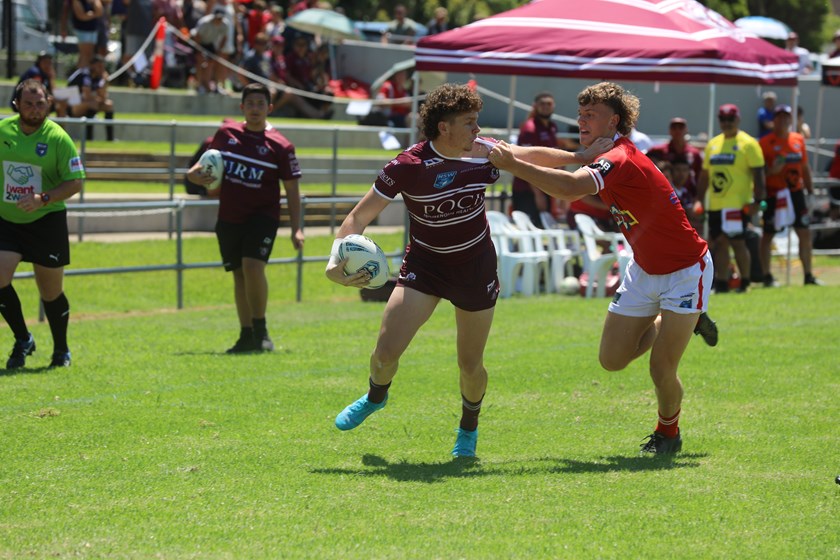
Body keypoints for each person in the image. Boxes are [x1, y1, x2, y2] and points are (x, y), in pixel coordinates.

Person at [324, 83, 597, 458]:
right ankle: (375, 397)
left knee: (470, 365)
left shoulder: (484, 153)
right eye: (469, 123)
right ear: (443, 128)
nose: (478, 131)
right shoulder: (407, 166)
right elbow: (357, 218)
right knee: (385, 351)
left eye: (477, 122)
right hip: (426, 265)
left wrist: (580, 156)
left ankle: (468, 430)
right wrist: (333, 265)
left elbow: (528, 154)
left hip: (475, 266)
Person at [488, 81, 719, 455]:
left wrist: (514, 165)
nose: (581, 120)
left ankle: (668, 434)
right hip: (644, 270)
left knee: (661, 369)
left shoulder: (621, 158)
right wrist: (495, 150)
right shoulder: (602, 152)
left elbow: (568, 189)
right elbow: (533, 154)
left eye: (590, 115)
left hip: (685, 270)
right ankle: (681, 320)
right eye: (580, 114)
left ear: (613, 121)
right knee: (612, 360)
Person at [186, 83, 304, 353]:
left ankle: (261, 332)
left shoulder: (281, 146)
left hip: (263, 216)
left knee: (253, 267)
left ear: (269, 108)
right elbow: (201, 167)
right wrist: (194, 176)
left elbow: (293, 190)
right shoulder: (226, 134)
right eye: (250, 104)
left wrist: (297, 228)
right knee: (239, 274)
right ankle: (245, 334)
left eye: (260, 104)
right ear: (241, 107)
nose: (254, 109)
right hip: (229, 216)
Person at [0, 80, 85, 369]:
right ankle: (23, 338)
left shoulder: (58, 138)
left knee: (50, 292)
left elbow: (76, 181)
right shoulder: (3, 131)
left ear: (48, 103)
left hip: (46, 220)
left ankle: (61, 350)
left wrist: (43, 198)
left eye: (40, 104)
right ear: (16, 105)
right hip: (7, 221)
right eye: (28, 104)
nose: (35, 110)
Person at [694, 103, 765, 293]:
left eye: (730, 119)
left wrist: (758, 201)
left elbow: (759, 175)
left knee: (738, 242)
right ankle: (723, 283)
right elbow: (704, 176)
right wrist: (700, 199)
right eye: (722, 119)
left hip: (737, 205)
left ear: (738, 119)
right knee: (719, 243)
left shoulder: (749, 144)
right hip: (716, 204)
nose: (726, 123)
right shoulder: (713, 144)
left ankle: (745, 282)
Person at [758, 104, 820, 286]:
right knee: (768, 234)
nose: (783, 120)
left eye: (787, 117)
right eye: (779, 117)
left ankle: (808, 275)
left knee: (804, 232)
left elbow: (805, 168)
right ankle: (767, 276)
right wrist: (772, 170)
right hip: (774, 194)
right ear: (774, 120)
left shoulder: (798, 139)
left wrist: (810, 191)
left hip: (795, 193)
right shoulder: (765, 142)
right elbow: (760, 173)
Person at [511, 92, 559, 226]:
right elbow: (526, 162)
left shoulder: (552, 127)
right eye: (542, 104)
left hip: (546, 186)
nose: (545, 107)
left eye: (548, 104)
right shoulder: (529, 129)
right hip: (527, 189)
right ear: (535, 106)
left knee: (543, 227)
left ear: (553, 106)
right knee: (526, 229)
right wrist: (538, 194)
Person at [66, 55, 116, 141]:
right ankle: (89, 138)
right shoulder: (85, 74)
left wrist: (106, 82)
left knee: (109, 105)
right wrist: (97, 98)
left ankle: (110, 139)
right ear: (92, 66)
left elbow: (103, 97)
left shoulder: (99, 77)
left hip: (84, 103)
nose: (102, 69)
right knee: (93, 104)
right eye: (99, 66)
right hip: (71, 105)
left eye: (103, 66)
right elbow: (87, 96)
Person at [11, 52, 68, 118]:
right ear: (39, 62)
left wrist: (51, 78)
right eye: (45, 62)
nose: (47, 65)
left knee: (61, 103)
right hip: (24, 102)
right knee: (47, 101)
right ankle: (42, 124)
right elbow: (35, 91)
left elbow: (53, 92)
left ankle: (60, 126)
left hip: (34, 101)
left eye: (49, 63)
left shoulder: (46, 75)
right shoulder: (35, 72)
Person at [646, 117, 703, 182]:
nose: (677, 130)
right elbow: (645, 163)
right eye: (674, 128)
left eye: (681, 128)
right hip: (667, 189)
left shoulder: (694, 153)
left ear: (686, 130)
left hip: (688, 190)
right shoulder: (659, 150)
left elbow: (700, 176)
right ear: (669, 131)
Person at [191, 6, 229, 94]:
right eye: (217, 18)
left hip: (210, 43)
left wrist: (219, 51)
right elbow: (197, 37)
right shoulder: (204, 22)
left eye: (220, 18)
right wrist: (199, 51)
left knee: (213, 63)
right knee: (199, 61)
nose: (219, 20)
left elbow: (224, 38)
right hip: (198, 42)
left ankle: (213, 85)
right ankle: (199, 85)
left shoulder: (225, 24)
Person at [70, 0, 103, 69]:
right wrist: (94, 14)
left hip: (93, 29)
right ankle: (81, 74)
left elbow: (100, 12)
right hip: (82, 30)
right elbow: (81, 16)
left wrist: (90, 14)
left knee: (90, 55)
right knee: (84, 54)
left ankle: (86, 73)